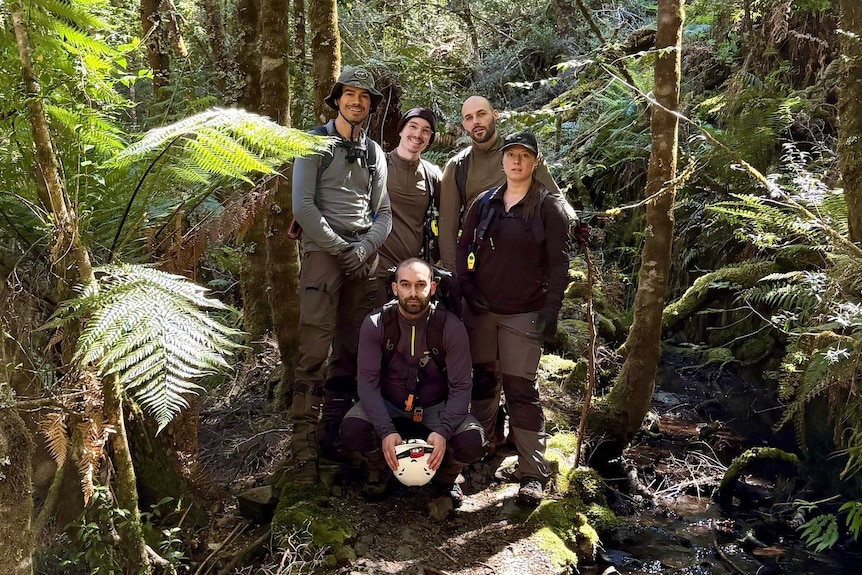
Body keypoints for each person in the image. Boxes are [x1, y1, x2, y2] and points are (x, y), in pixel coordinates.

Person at [289, 66, 392, 484]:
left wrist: (365, 248)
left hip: (361, 259)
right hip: (323, 255)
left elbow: (383, 213)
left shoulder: (375, 153)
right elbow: (302, 206)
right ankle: (301, 452)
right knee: (314, 350)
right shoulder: (314, 143)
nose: (356, 101)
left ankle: (337, 437)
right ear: (337, 100)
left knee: (352, 351)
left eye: (363, 96)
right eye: (349, 94)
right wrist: (340, 248)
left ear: (370, 105)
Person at [456, 132, 570, 506]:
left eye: (524, 156)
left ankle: (532, 473)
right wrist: (467, 288)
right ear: (502, 160)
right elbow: (463, 247)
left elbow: (558, 264)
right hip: (482, 312)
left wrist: (551, 310)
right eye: (511, 155)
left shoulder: (548, 208)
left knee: (521, 390)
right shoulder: (484, 203)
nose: (517, 162)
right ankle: (479, 454)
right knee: (484, 383)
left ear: (535, 162)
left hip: (525, 314)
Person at [340, 258, 486, 506]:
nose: (413, 293)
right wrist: (385, 430)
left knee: (473, 441)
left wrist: (444, 430)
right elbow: (367, 383)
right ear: (395, 288)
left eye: (420, 285)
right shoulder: (376, 324)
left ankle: (447, 479)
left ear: (432, 287)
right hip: (388, 405)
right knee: (352, 428)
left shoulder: (450, 327)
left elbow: (461, 387)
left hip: (436, 409)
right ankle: (379, 469)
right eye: (405, 285)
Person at [438, 95, 579, 273]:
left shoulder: (523, 155)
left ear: (495, 115)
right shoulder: (458, 166)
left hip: (527, 258)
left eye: (481, 114)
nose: (476, 122)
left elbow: (555, 197)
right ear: (464, 124)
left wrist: (574, 223)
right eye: (469, 118)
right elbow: (447, 228)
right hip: (480, 263)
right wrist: (454, 276)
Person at [375, 108, 443, 305]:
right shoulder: (378, 165)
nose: (418, 134)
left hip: (414, 276)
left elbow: (449, 221)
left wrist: (434, 261)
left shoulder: (433, 176)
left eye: (426, 131)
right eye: (413, 126)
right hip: (375, 271)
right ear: (401, 130)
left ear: (430, 139)